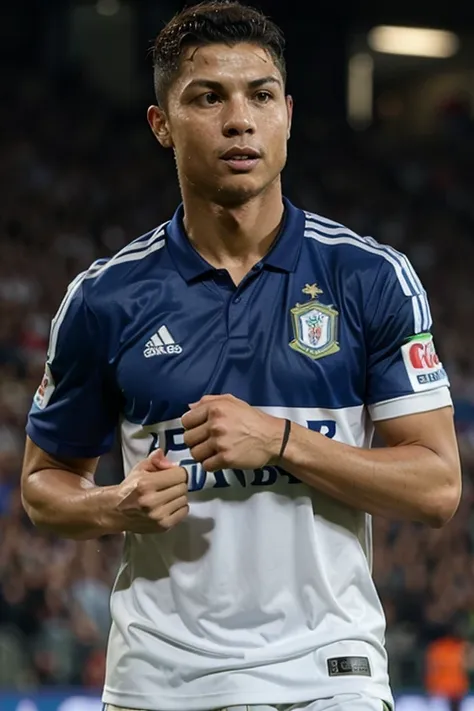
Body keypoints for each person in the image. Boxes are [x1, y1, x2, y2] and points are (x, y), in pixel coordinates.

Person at [21, 2, 461, 710]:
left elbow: (437, 486)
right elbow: (45, 486)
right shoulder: (104, 297)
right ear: (161, 124)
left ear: (287, 114)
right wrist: (113, 503)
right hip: (158, 681)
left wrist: (280, 439)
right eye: (208, 97)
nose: (239, 120)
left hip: (329, 674)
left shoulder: (371, 277)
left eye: (260, 95)